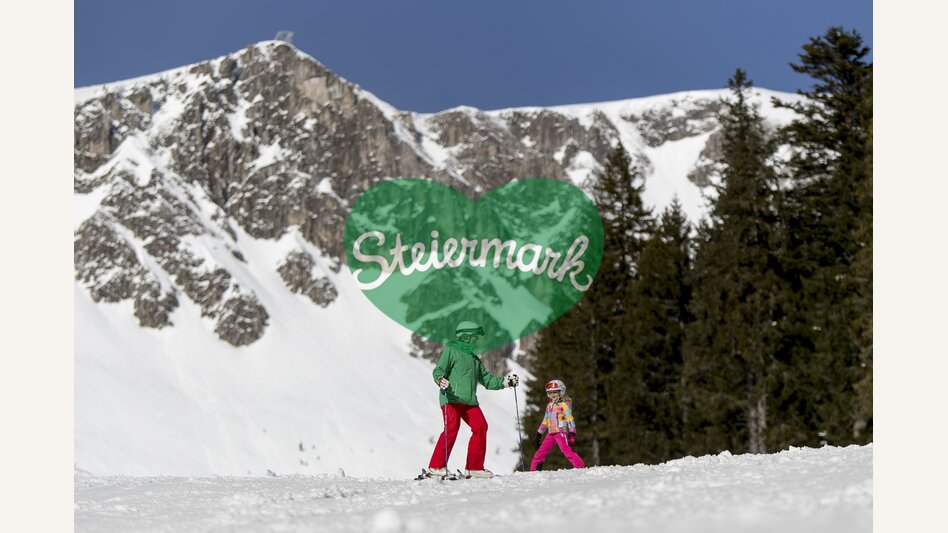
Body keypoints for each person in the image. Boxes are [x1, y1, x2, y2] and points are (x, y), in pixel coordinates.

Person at [427, 321, 519, 479]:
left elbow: (488, 380)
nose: (476, 340)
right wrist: (441, 379)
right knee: (452, 428)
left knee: (481, 426)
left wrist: (505, 382)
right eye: (475, 336)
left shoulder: (474, 359)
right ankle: (436, 467)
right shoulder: (452, 351)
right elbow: (439, 370)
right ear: (465, 336)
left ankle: (474, 468)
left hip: (469, 402)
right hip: (451, 398)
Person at [530, 379, 585, 470]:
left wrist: (572, 435)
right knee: (540, 453)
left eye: (554, 392)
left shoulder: (564, 405)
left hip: (561, 432)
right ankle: (534, 472)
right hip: (551, 433)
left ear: (561, 392)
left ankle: (580, 467)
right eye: (550, 393)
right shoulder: (549, 405)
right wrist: (538, 434)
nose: (552, 395)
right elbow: (545, 421)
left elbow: (570, 420)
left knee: (567, 450)